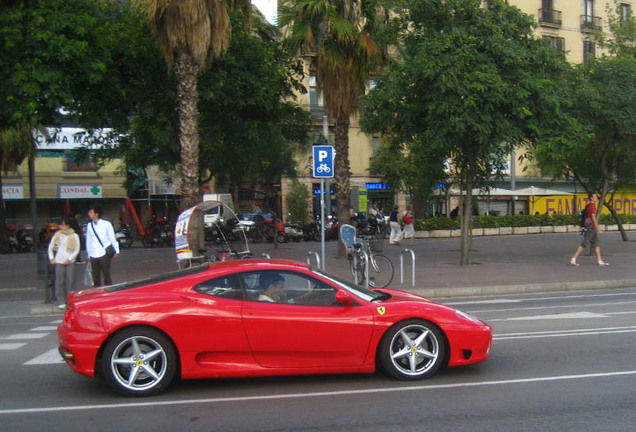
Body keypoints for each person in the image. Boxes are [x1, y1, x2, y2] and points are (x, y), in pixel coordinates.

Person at [48, 217, 80, 308]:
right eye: (60, 224)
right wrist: (52, 258)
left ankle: (70, 300)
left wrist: (69, 259)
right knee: (59, 281)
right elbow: (50, 247)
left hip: (70, 261)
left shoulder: (74, 236)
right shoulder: (57, 235)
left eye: (63, 224)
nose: (61, 226)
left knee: (70, 280)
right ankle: (61, 301)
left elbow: (77, 250)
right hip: (59, 260)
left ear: (68, 226)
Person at [570, 193, 608, 267]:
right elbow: (593, 218)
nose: (596, 198)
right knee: (585, 243)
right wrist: (598, 228)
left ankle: (600, 260)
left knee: (596, 243)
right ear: (591, 198)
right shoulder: (592, 206)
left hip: (591, 228)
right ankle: (573, 258)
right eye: (595, 196)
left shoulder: (588, 206)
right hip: (591, 228)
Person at [86, 205, 119, 286]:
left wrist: (116, 250)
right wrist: (89, 254)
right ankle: (97, 294)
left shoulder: (106, 224)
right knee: (95, 277)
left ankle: (108, 294)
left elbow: (112, 237)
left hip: (104, 252)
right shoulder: (89, 225)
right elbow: (88, 240)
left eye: (91, 212)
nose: (89, 214)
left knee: (106, 275)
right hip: (94, 253)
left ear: (96, 214)